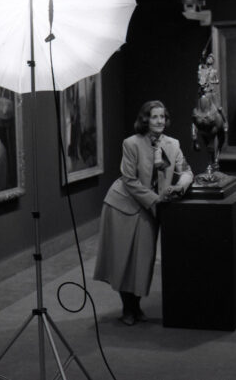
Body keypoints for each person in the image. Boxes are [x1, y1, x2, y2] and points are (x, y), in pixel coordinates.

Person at [93, 100, 193, 326]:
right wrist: (156, 200)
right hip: (123, 206)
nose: (159, 121)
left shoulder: (173, 144)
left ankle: (135, 305)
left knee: (143, 261)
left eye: (162, 117)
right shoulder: (131, 143)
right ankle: (129, 308)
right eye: (154, 116)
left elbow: (186, 171)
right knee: (123, 260)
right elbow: (129, 179)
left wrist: (181, 186)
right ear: (145, 119)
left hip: (151, 208)